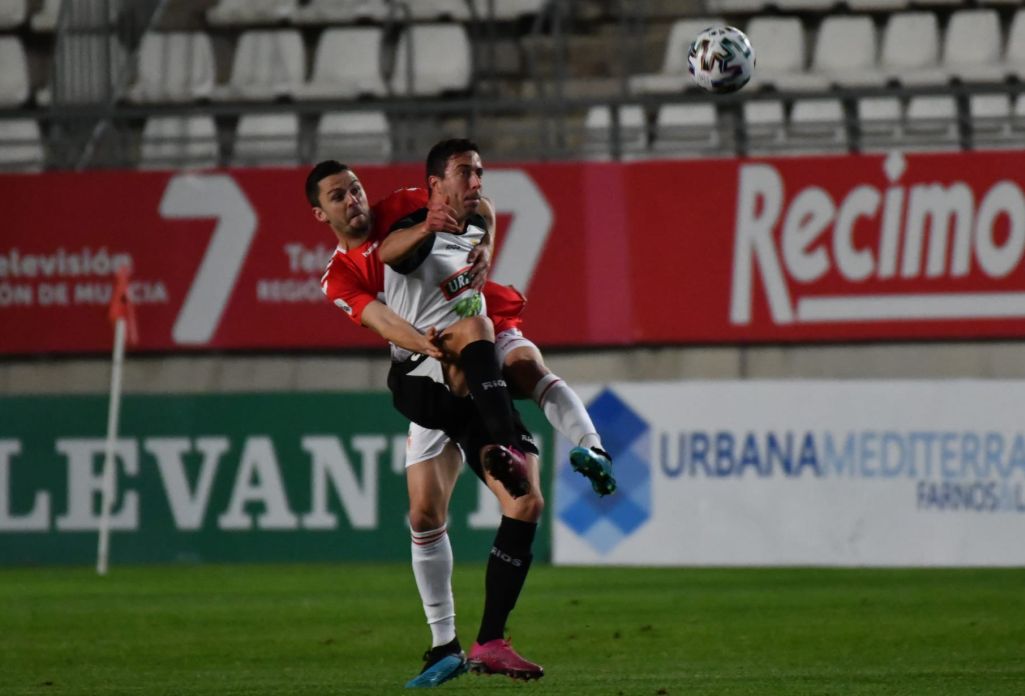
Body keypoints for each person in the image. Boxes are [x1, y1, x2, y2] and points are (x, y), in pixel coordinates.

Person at [306, 154, 614, 686]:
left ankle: (490, 637)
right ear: (320, 214)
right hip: (428, 360)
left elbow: (479, 208)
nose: (353, 200)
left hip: (470, 342)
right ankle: (443, 644)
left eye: (355, 188)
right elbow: (381, 319)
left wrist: (485, 251)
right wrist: (422, 344)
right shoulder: (339, 275)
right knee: (424, 515)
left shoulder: (402, 203)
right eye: (338, 196)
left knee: (526, 496)